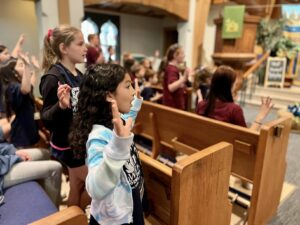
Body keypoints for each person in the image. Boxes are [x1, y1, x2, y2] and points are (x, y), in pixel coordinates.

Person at [69, 64, 146, 225]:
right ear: (109, 95)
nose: (132, 91)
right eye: (127, 86)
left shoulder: (116, 124)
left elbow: (127, 124)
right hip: (115, 219)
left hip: (130, 205)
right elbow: (96, 188)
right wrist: (118, 147)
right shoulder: (99, 136)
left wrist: (136, 103)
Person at [39, 25, 90, 209]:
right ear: (64, 48)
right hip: (69, 144)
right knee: (94, 186)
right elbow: (46, 118)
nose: (86, 47)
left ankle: (73, 219)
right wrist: (61, 106)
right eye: (80, 43)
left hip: (80, 140)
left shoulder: (79, 75)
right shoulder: (53, 78)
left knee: (77, 185)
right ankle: (78, 218)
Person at [196, 65, 273, 131]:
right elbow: (247, 137)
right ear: (228, 87)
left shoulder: (201, 105)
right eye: (235, 85)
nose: (235, 88)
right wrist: (261, 115)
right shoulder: (234, 110)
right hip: (225, 148)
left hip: (204, 147)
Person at [0, 125, 62, 206]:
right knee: (56, 168)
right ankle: (54, 214)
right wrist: (16, 158)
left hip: (3, 158)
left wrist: (13, 151)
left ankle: (49, 196)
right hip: (2, 172)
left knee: (45, 154)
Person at [0, 53, 40, 148]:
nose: (24, 67)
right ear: (13, 72)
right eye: (20, 65)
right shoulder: (12, 87)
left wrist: (36, 70)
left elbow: (30, 85)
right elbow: (26, 90)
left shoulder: (18, 85)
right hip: (21, 136)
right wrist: (27, 65)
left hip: (27, 132)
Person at [162, 43, 189, 110]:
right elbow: (171, 87)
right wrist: (183, 78)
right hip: (173, 106)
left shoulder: (172, 68)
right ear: (175, 55)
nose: (184, 55)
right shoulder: (172, 69)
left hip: (174, 106)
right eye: (182, 53)